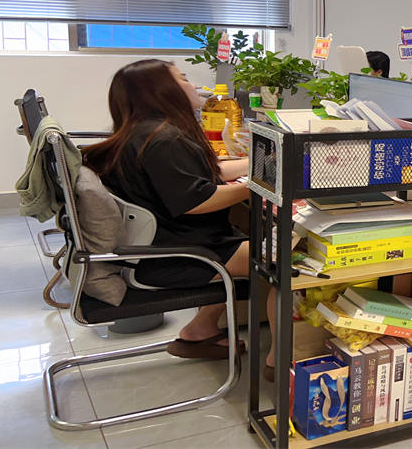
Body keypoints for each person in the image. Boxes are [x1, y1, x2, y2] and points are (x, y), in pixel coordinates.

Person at [81, 59, 279, 381]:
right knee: (287, 261)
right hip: (178, 255)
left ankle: (200, 330)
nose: (193, 84)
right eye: (184, 78)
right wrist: (258, 186)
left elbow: (206, 173)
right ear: (161, 91)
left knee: (249, 235)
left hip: (162, 244)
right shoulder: (164, 140)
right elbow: (197, 201)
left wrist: (256, 165)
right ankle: (279, 362)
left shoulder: (146, 132)